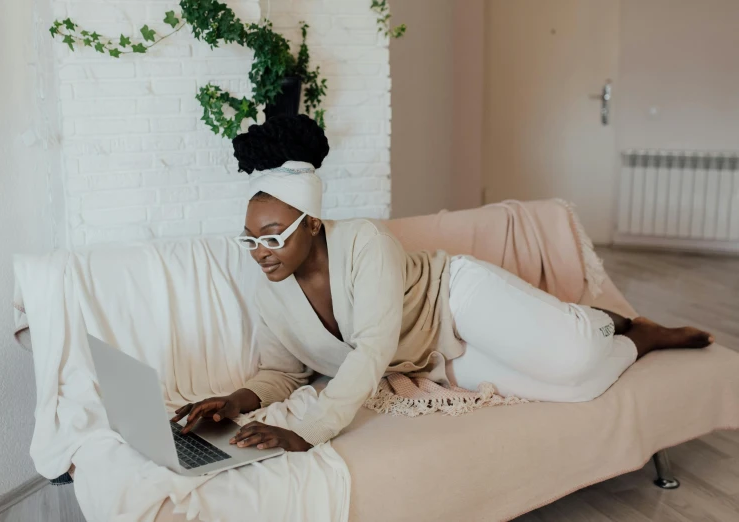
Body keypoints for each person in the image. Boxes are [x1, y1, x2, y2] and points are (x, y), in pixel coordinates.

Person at [171, 115, 713, 453]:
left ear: (312, 223)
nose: (259, 253)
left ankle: (606, 321)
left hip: (458, 299)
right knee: (576, 388)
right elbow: (281, 372)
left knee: (572, 358)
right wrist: (236, 401)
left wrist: (309, 431)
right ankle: (640, 338)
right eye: (249, 240)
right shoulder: (272, 287)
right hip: (432, 357)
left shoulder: (365, 242)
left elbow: (374, 346)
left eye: (271, 236)